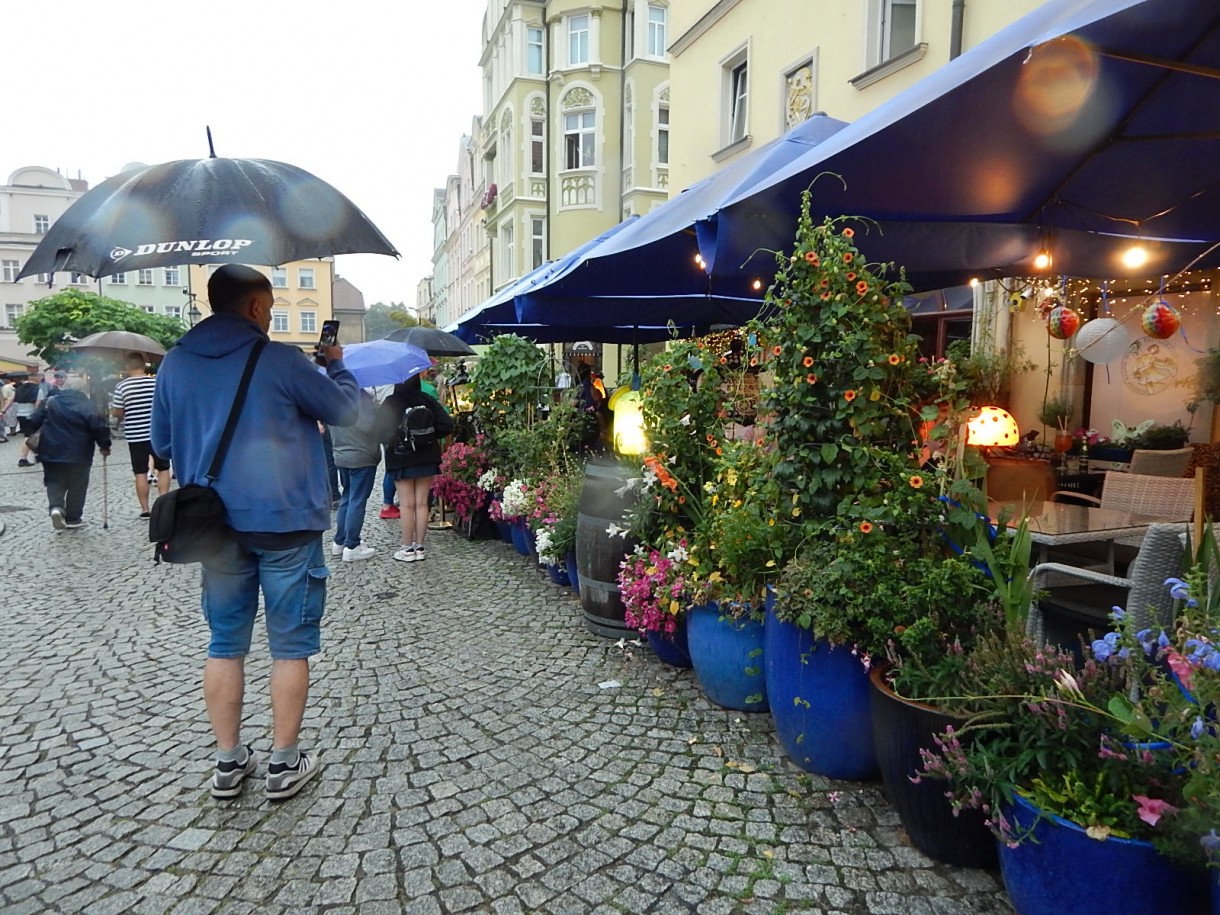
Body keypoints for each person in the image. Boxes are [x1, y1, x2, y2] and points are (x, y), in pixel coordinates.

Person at [151, 264, 359, 802]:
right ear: (252, 307)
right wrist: (335, 367)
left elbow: (163, 447)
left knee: (225, 643)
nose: (269, 316)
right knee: (289, 645)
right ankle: (284, 764)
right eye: (268, 307)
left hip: (215, 526)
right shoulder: (279, 359)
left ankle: (227, 763)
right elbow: (344, 410)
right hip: (285, 519)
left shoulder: (174, 363)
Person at [378, 373, 453, 562]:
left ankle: (407, 549)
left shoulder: (392, 401)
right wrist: (428, 437)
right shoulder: (426, 399)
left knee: (406, 505)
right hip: (427, 457)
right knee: (422, 504)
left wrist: (396, 438)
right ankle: (419, 547)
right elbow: (447, 425)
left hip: (401, 457)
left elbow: (380, 433)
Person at [26, 376, 111, 529]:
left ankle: (56, 508)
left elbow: (33, 422)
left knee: (53, 480)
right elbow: (98, 427)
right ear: (83, 390)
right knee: (77, 485)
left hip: (50, 450)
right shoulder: (87, 405)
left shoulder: (50, 401)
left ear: (64, 387)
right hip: (79, 452)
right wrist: (105, 445)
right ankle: (73, 518)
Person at [112, 353, 170, 518]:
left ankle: (145, 509)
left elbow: (118, 412)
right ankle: (164, 504)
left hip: (135, 435)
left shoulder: (122, 386)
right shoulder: (156, 382)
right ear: (144, 365)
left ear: (127, 366)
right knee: (163, 468)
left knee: (140, 472)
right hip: (157, 433)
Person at [329, 389, 381, 562]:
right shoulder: (359, 397)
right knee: (357, 499)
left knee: (347, 496)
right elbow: (368, 425)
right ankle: (352, 545)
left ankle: (340, 541)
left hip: (341, 454)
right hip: (361, 455)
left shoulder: (334, 395)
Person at [14, 374, 42, 466]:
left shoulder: (18, 389)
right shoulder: (38, 389)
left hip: (20, 414)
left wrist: (3, 411)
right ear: (37, 379)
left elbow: (12, 400)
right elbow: (37, 405)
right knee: (29, 436)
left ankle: (37, 455)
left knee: (30, 435)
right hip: (30, 415)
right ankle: (23, 459)